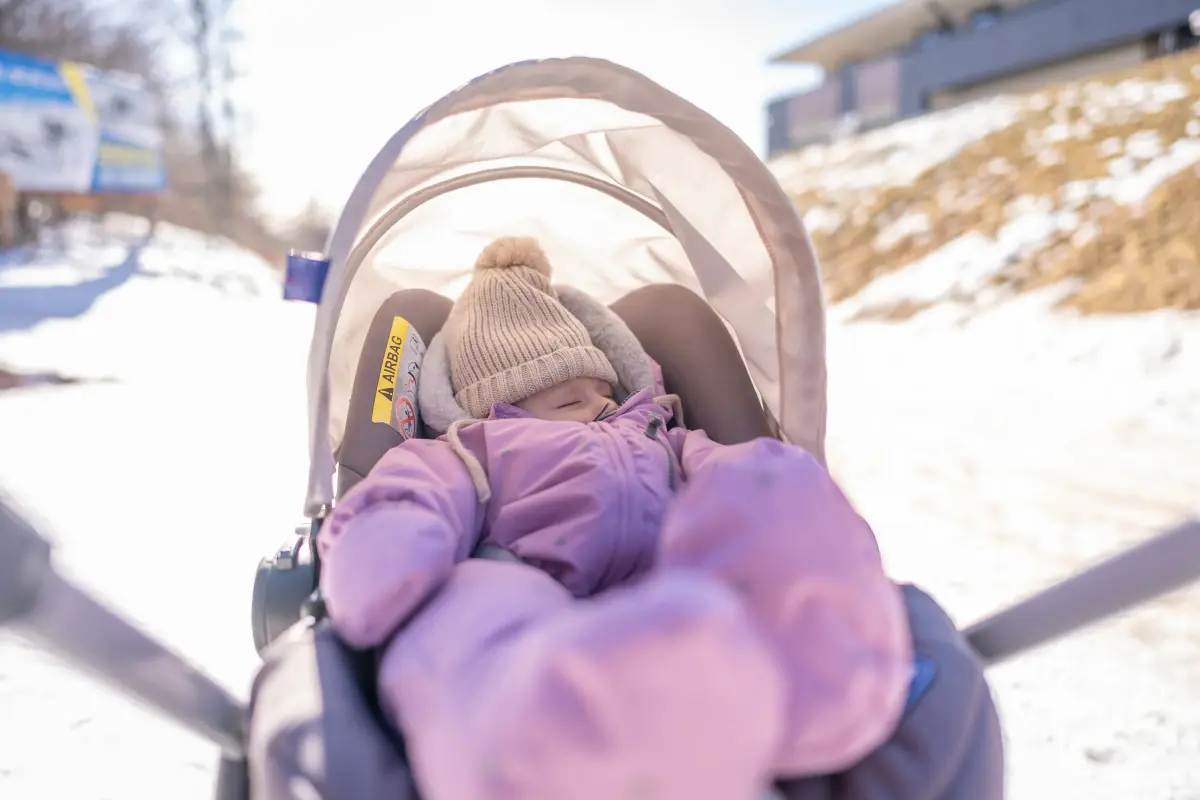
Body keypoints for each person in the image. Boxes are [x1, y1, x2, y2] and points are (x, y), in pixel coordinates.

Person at [317, 236, 912, 800]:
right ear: (497, 407)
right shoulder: (471, 450)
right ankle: (544, 735)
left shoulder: (661, 434)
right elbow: (406, 494)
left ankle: (815, 683)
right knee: (466, 603)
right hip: (531, 602)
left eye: (604, 391)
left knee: (750, 528)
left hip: (670, 592)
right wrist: (389, 546)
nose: (599, 408)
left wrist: (784, 495)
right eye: (568, 400)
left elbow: (746, 478)